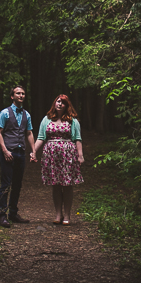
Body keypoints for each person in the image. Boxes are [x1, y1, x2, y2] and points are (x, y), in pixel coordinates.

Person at [33, 94, 84, 225]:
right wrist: (33, 151)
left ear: (67, 105)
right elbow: (40, 137)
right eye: (58, 101)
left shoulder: (73, 121)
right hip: (51, 156)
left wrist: (80, 155)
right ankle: (58, 214)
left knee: (67, 185)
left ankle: (67, 215)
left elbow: (77, 139)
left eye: (63, 102)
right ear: (54, 104)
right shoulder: (46, 119)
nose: (60, 104)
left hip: (67, 155)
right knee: (55, 185)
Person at [0, 85, 37, 228]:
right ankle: (2, 215)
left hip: (21, 153)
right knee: (6, 184)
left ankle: (13, 213)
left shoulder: (27, 115)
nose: (21, 95)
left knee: (17, 184)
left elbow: (29, 133)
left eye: (23, 93)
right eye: (18, 93)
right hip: (8, 152)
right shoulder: (4, 113)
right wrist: (5, 151)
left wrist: (33, 151)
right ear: (12, 96)